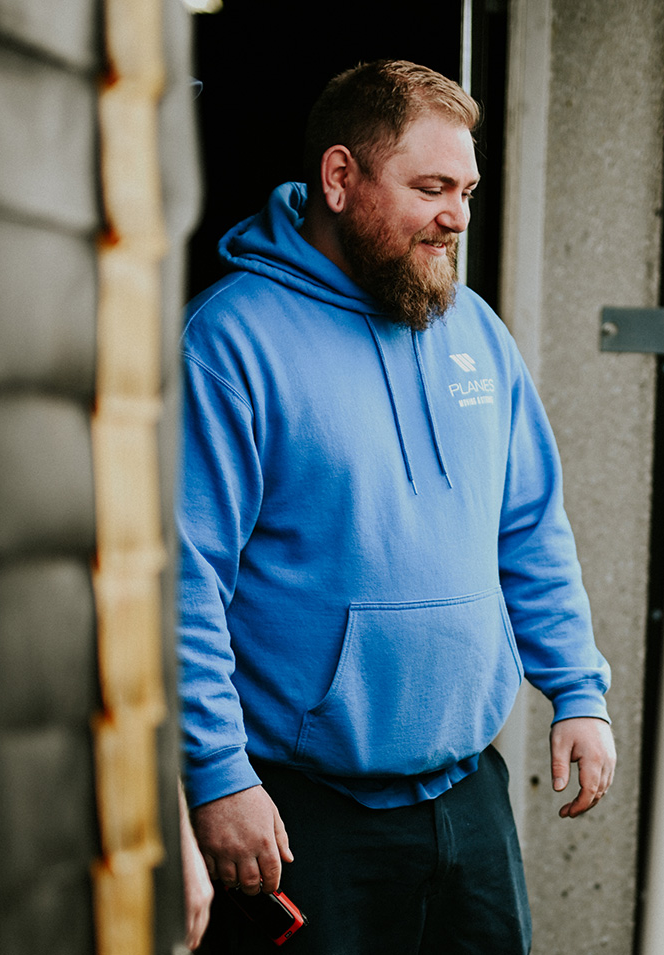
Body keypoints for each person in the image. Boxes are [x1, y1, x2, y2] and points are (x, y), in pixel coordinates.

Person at [178, 59, 616, 954]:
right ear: (340, 179)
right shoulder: (230, 343)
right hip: (302, 812)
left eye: (466, 189)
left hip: (467, 798)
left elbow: (529, 527)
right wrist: (218, 775)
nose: (456, 214)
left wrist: (576, 687)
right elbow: (182, 580)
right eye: (430, 187)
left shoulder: (476, 332)